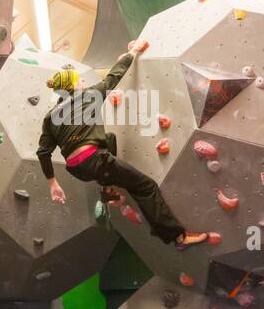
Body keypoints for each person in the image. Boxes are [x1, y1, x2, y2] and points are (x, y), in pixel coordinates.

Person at [36, 41, 208, 247]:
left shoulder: (50, 116)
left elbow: (43, 152)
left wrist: (53, 184)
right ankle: (178, 237)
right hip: (95, 161)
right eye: (79, 80)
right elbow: (114, 76)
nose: (82, 82)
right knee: (146, 187)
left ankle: (107, 190)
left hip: (77, 169)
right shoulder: (89, 95)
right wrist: (133, 52)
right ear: (73, 85)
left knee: (110, 139)